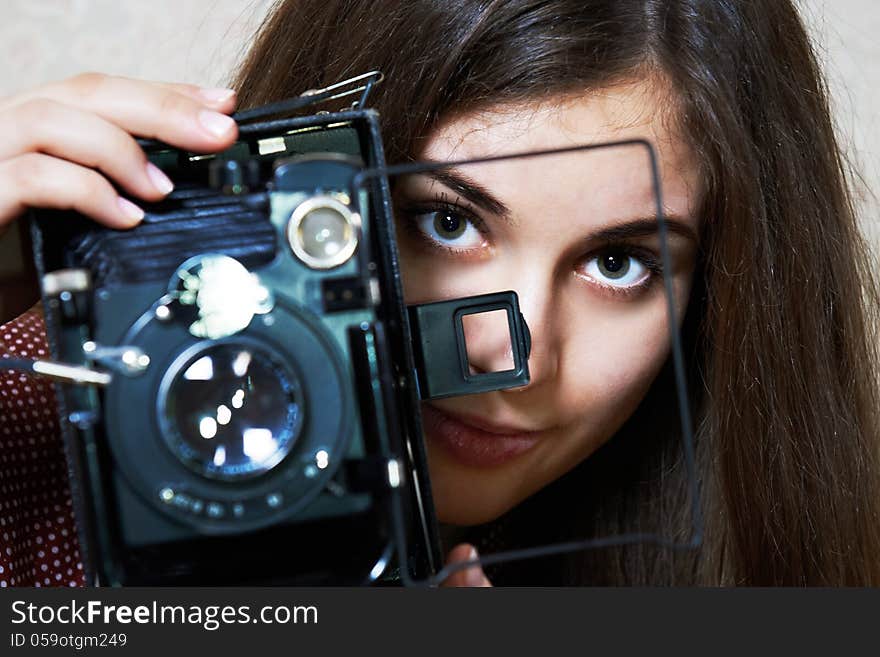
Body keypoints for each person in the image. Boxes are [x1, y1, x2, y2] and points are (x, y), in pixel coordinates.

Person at [0, 0, 878, 586]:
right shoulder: (34, 401)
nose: (510, 357)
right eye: (446, 223)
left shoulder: (752, 550)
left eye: (619, 263)